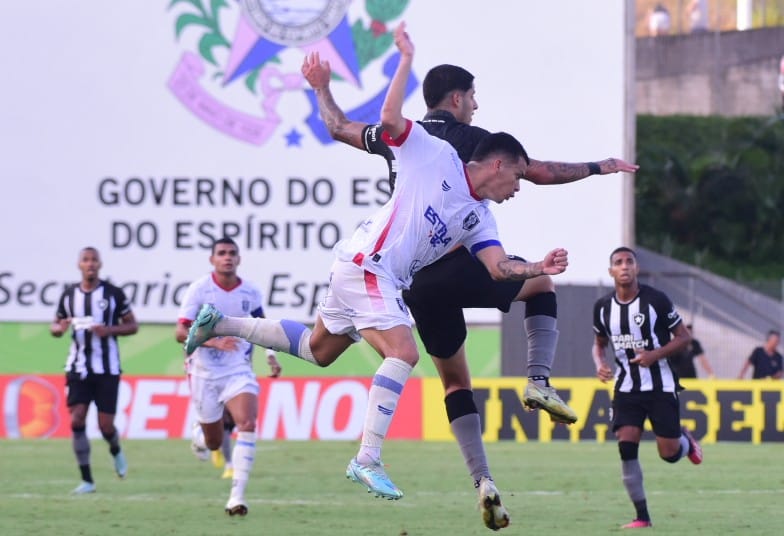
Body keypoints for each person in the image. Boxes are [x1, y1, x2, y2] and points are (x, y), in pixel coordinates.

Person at [185, 22, 568, 530]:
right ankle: (366, 458)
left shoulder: (480, 216)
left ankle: (220, 325)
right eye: (517, 176)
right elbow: (389, 119)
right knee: (404, 352)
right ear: (498, 163)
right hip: (371, 265)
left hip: (361, 266)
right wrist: (405, 59)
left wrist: (537, 267)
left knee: (319, 351)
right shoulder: (435, 154)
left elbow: (498, 268)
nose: (518, 187)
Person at [299, 37, 638, 525]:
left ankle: (484, 481)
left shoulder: (406, 141)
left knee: (453, 381)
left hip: (411, 281)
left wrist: (322, 89)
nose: (477, 105)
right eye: (473, 96)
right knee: (541, 286)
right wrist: (598, 167)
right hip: (456, 264)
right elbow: (536, 172)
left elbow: (336, 126)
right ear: (456, 98)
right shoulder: (469, 143)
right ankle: (539, 380)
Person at [592, 246, 703, 529]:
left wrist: (654, 355)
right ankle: (642, 517)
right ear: (611, 271)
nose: (625, 266)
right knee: (626, 447)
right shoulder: (603, 307)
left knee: (668, 453)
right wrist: (600, 364)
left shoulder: (656, 301)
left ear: (637, 268)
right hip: (626, 388)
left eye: (630, 261)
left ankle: (684, 441)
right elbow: (599, 344)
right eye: (618, 262)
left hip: (660, 385)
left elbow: (684, 337)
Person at [175, 237, 282, 516]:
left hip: (237, 368)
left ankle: (237, 497)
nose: (227, 257)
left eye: (232, 253)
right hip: (203, 371)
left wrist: (271, 356)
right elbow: (180, 332)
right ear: (212, 259)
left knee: (246, 422)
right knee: (213, 442)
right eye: (221, 253)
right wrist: (212, 340)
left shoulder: (251, 292)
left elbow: (263, 327)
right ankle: (200, 436)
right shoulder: (199, 290)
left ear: (239, 259)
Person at [49, 246, 138, 494]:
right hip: (77, 367)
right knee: (76, 418)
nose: (90, 264)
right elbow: (56, 326)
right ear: (79, 265)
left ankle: (115, 449)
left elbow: (133, 326)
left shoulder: (113, 294)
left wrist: (108, 330)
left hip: (107, 369)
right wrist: (58, 329)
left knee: (105, 426)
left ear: (100, 265)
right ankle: (87, 480)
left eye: (94, 260)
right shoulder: (68, 296)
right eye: (85, 260)